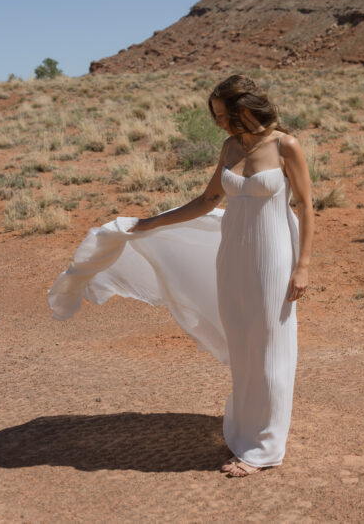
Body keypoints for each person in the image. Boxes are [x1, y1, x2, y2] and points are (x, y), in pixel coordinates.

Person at [126, 74, 314, 477]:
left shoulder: (286, 145)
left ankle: (265, 447)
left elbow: (308, 206)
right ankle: (246, 431)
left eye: (223, 114)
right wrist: (151, 223)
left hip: (274, 258)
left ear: (244, 109)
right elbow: (209, 200)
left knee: (271, 348)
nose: (218, 123)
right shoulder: (230, 147)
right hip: (233, 256)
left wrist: (303, 265)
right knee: (243, 342)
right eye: (215, 116)